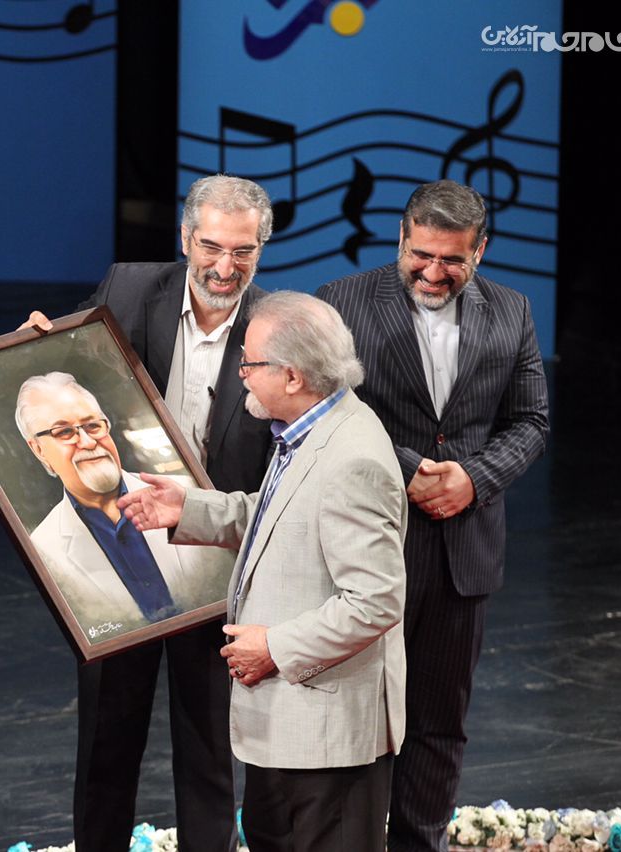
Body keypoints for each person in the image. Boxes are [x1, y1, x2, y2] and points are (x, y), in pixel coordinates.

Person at [22, 174, 276, 851]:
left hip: (219, 558)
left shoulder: (277, 323)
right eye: (212, 247)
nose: (225, 267)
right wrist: (37, 340)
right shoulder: (130, 288)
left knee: (211, 747)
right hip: (120, 541)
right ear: (186, 238)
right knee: (107, 741)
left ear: (261, 249)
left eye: (243, 251)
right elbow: (67, 353)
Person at [118, 290, 407, 852]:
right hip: (290, 728)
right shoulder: (310, 426)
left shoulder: (353, 459)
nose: (241, 374)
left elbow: (374, 602)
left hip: (327, 742)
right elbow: (281, 514)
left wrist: (274, 647)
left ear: (293, 376)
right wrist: (188, 508)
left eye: (250, 362)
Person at [316, 180, 550, 852]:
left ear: (481, 250)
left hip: (461, 551)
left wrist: (473, 479)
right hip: (368, 547)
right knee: (356, 721)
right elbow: (324, 409)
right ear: (401, 237)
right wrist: (408, 468)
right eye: (420, 254)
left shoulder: (512, 310)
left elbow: (531, 420)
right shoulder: (342, 301)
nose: (433, 272)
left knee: (439, 726)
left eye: (452, 259)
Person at [16, 372, 228, 639]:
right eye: (65, 432)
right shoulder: (44, 548)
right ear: (38, 450)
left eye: (93, 426)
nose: (88, 442)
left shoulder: (186, 491)